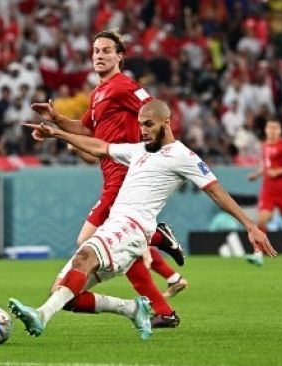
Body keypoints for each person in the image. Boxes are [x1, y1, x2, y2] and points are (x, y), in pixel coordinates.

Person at [10, 100, 277, 339]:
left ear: (166, 122)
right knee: (63, 295)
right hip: (115, 225)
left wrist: (250, 226)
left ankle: (40, 317)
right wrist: (57, 133)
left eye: (149, 124)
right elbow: (100, 147)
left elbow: (216, 192)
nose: (143, 130)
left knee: (84, 258)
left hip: (133, 228)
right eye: (140, 125)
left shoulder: (182, 156)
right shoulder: (138, 150)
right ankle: (131, 308)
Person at [30, 30, 186, 327]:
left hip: (126, 178)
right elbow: (86, 130)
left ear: (119, 57)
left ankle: (156, 237)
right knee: (123, 254)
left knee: (86, 241)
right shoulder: (98, 93)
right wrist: (55, 118)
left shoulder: (125, 86)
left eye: (105, 50)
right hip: (111, 177)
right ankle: (163, 311)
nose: (99, 55)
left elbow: (154, 111)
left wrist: (163, 155)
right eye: (95, 51)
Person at [246, 120, 282, 266]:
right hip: (268, 188)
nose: (272, 130)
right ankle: (258, 254)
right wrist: (256, 175)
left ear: (280, 130)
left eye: (275, 128)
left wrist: (278, 171)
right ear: (265, 130)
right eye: (269, 127)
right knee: (261, 220)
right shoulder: (264, 145)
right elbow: (266, 166)